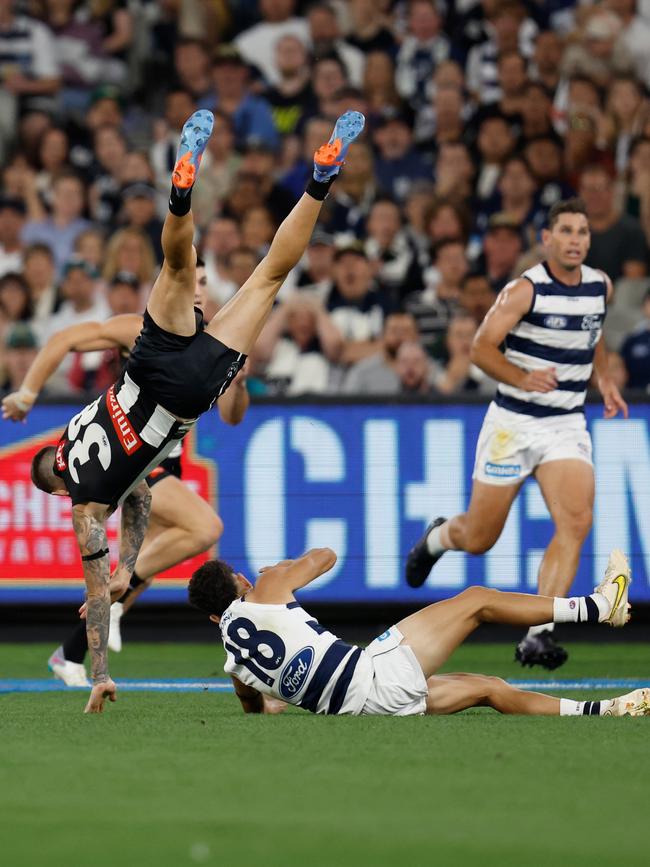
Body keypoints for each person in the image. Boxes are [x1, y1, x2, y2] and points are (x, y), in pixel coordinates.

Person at [11, 107, 365, 712]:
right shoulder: (76, 433)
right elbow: (144, 499)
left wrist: (102, 655)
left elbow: (100, 596)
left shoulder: (87, 506)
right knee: (179, 263)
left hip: (182, 393)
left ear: (58, 488)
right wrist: (131, 563)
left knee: (271, 276)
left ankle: (320, 182)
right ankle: (181, 194)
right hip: (148, 362)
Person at [405, 197, 628, 671]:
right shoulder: (525, 290)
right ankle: (438, 539)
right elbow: (481, 348)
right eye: (565, 231)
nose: (575, 240)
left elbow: (595, 335)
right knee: (481, 536)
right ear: (546, 240)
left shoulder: (599, 287)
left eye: (582, 232)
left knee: (575, 521)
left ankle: (539, 632)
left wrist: (603, 378)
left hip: (565, 422)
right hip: (513, 423)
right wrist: (522, 377)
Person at [2, 259, 249, 686]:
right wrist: (27, 391)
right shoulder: (140, 329)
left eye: (204, 282)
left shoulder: (214, 339)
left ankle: (71, 653)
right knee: (203, 528)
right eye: (188, 279)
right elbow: (66, 338)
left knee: (146, 564)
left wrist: (239, 381)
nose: (196, 289)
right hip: (130, 457)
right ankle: (111, 599)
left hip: (163, 458)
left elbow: (231, 416)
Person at [188, 546, 649, 718]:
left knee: (489, 689)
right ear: (240, 582)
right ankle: (598, 606)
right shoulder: (265, 587)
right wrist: (283, 570)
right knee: (477, 600)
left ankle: (608, 710)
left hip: (365, 710)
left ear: (213, 619)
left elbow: (251, 705)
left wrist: (269, 704)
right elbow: (326, 556)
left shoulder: (233, 661)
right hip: (374, 674)